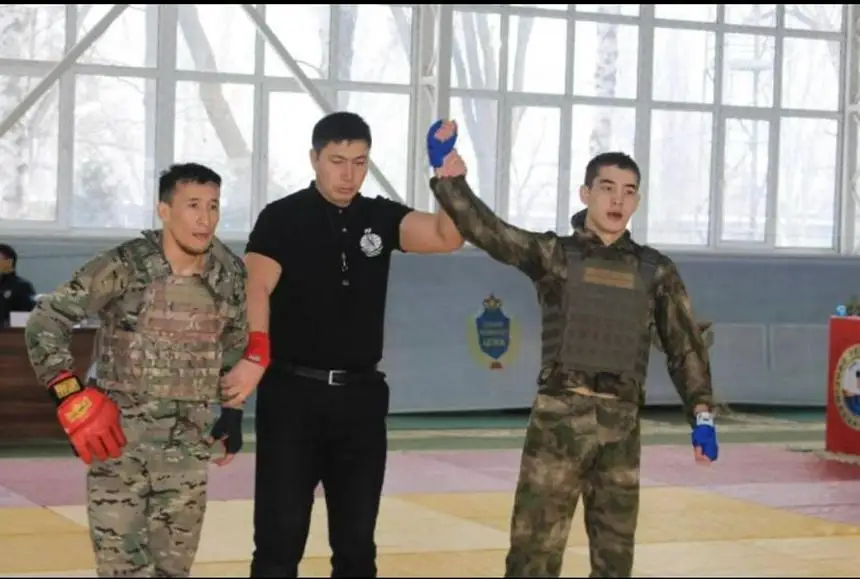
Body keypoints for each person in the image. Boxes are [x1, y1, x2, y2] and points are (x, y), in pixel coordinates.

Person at [426, 129, 720, 578]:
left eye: (629, 191)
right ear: (586, 194)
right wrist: (451, 182)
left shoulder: (656, 271)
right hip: (557, 425)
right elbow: (493, 234)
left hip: (621, 430)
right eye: (607, 188)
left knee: (615, 562)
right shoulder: (555, 256)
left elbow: (684, 345)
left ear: (638, 201)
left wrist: (702, 414)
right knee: (533, 557)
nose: (617, 200)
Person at [235, 111, 464, 578]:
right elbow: (255, 286)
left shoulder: (380, 216)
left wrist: (447, 179)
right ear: (314, 159)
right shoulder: (282, 217)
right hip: (292, 396)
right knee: (279, 540)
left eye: (359, 162)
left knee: (357, 545)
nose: (348, 174)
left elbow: (447, 237)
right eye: (337, 161)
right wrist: (256, 352)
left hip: (360, 400)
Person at [24, 162, 261, 578]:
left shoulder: (228, 273)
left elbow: (233, 345)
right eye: (192, 205)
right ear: (164, 211)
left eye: (213, 206)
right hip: (118, 445)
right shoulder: (123, 266)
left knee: (173, 571)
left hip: (188, 447)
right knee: (122, 570)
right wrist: (69, 394)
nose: (205, 219)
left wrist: (233, 411)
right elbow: (46, 320)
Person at [0, 243, 37, 327]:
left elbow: (29, 317)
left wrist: (5, 323)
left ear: (9, 262)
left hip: (10, 333)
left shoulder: (21, 286)